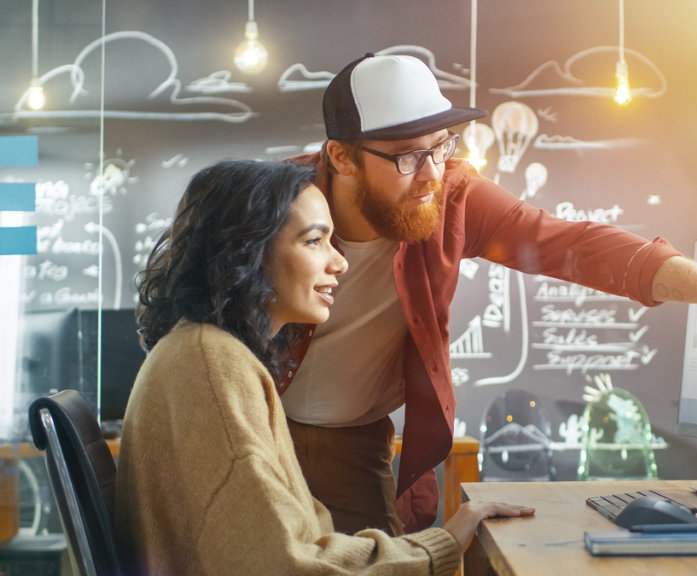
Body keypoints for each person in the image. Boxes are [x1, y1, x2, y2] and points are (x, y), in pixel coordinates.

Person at [283, 53, 697, 535]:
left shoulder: (454, 196)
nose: (431, 176)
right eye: (406, 157)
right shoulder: (269, 206)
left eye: (441, 147)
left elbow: (568, 244)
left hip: (356, 443)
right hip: (254, 431)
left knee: (388, 566)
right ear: (342, 157)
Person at [117, 160, 534, 576]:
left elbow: (289, 549)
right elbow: (281, 566)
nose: (340, 263)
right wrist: (442, 545)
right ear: (246, 249)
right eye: (314, 241)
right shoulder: (212, 362)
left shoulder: (208, 351)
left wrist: (433, 546)